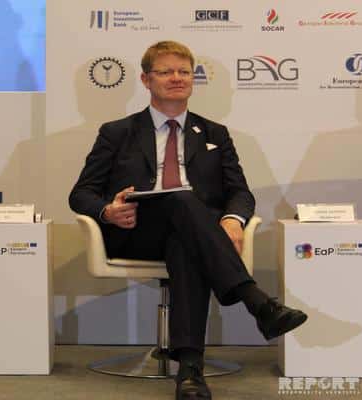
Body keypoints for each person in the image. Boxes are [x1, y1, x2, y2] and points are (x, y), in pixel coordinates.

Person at [69, 41, 307, 400]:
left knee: (185, 242)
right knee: (180, 199)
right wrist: (108, 211)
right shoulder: (117, 132)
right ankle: (255, 300)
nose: (176, 78)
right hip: (136, 232)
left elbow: (240, 193)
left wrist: (232, 219)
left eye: (184, 71)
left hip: (197, 236)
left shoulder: (214, 134)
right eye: (165, 72)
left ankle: (191, 370)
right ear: (146, 80)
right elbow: (81, 193)